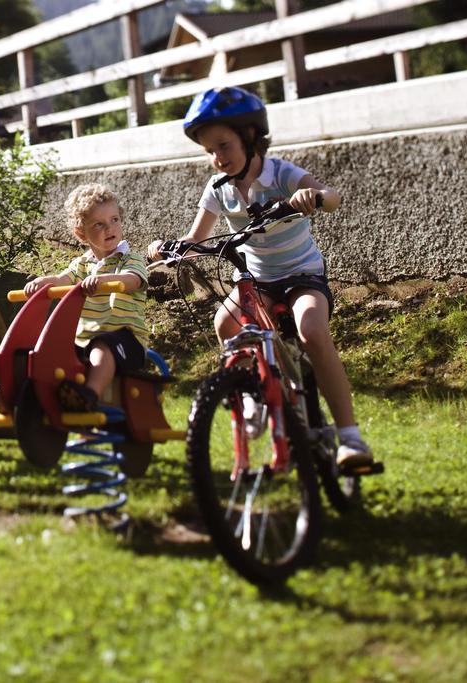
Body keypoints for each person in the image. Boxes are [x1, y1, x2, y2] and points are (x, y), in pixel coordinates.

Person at [146, 86, 374, 468]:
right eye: (209, 152)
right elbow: (196, 236)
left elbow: (330, 196)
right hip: (257, 280)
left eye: (224, 146)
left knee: (312, 329)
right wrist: (168, 247)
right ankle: (251, 393)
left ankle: (350, 436)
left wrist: (312, 196)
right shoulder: (217, 189)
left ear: (250, 136)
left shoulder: (281, 173)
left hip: (302, 275)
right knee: (225, 324)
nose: (217, 158)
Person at [24, 183, 149, 412]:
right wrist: (42, 283)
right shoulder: (82, 264)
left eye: (114, 220)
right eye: (98, 224)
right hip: (85, 338)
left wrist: (103, 281)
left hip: (125, 339)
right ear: (81, 234)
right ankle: (43, 400)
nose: (109, 228)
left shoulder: (130, 259)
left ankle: (89, 395)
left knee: (102, 347)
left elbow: (133, 280)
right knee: (53, 350)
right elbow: (62, 280)